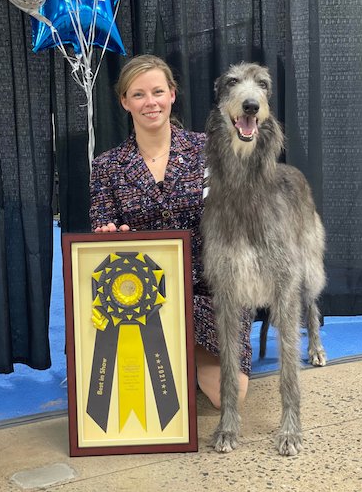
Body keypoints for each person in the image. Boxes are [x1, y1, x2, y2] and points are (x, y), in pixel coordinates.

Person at [89, 54, 252, 408]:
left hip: (211, 289)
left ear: (172, 95)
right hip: (142, 298)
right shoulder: (106, 167)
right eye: (139, 94)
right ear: (124, 101)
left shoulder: (210, 150)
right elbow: (100, 226)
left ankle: (186, 350)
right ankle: (175, 350)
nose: (150, 102)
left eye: (158, 92)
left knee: (229, 397)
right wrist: (110, 234)